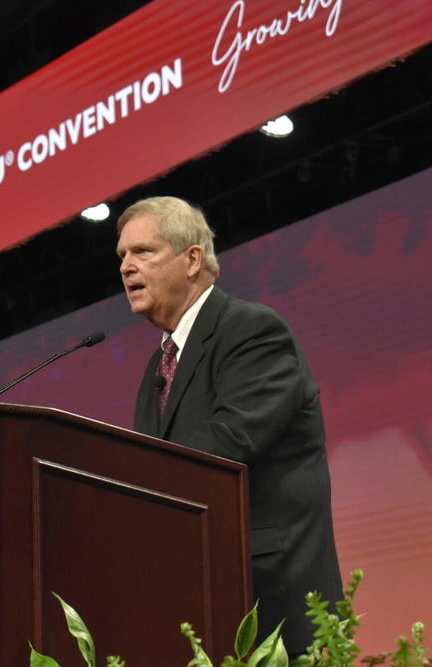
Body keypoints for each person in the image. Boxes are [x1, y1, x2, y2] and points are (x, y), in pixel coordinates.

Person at [116, 196, 342, 653]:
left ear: (192, 259)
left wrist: (125, 483)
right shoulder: (157, 368)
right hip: (199, 606)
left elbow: (228, 443)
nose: (126, 267)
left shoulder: (252, 330)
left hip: (274, 603)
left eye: (143, 252)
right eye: (121, 256)